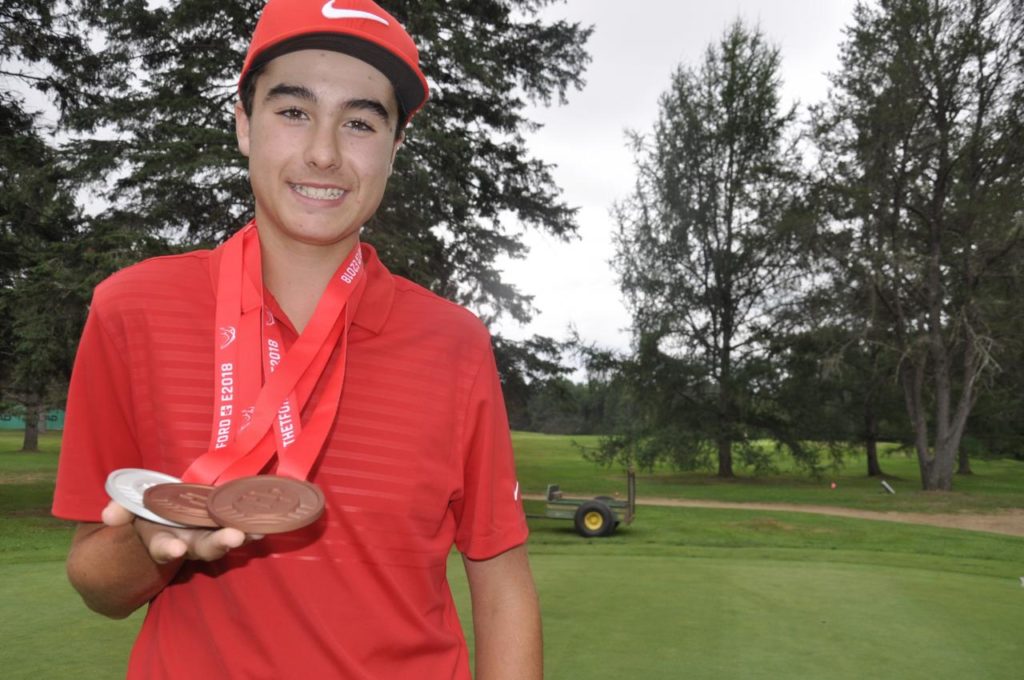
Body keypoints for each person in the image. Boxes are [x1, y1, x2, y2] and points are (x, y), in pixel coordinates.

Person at [51, 1, 542, 677]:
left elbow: (500, 579)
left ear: (395, 148)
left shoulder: (453, 343)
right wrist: (150, 540)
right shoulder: (131, 309)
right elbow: (95, 585)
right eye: (293, 111)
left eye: (361, 122)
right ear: (243, 124)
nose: (323, 152)